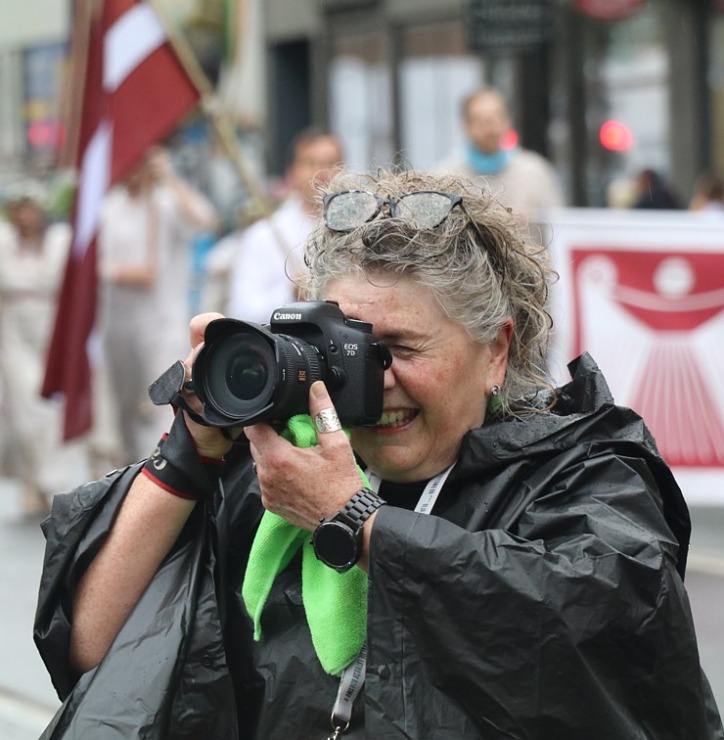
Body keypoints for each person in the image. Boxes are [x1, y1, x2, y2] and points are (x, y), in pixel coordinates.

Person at [34, 170, 723, 739]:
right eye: (349, 352)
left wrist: (355, 519)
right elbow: (97, 651)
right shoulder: (282, 472)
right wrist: (192, 451)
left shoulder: (583, 472)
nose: (372, 380)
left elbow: (572, 632)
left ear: (497, 351)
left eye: (400, 350)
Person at [94, 146, 219, 467]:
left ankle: (161, 472)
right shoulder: (109, 208)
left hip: (161, 321)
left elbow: (207, 221)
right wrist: (119, 273)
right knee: (125, 403)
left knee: (160, 401)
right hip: (117, 323)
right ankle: (128, 472)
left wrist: (170, 178)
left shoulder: (166, 202)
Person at [0, 181, 87, 517]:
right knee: (24, 410)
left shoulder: (57, 241)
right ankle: (35, 478)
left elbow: (63, 280)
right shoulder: (5, 243)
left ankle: (46, 480)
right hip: (15, 333)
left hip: (51, 331)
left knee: (50, 410)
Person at [221, 128, 343, 322]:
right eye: (311, 163)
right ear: (292, 172)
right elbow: (241, 312)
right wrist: (291, 293)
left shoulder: (357, 231)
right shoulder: (264, 235)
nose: (322, 173)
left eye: (330, 164)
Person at [433, 86, 564, 218]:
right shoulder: (446, 177)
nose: (490, 127)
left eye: (497, 117)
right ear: (465, 126)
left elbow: (558, 225)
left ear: (508, 121)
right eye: (480, 120)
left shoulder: (535, 173)